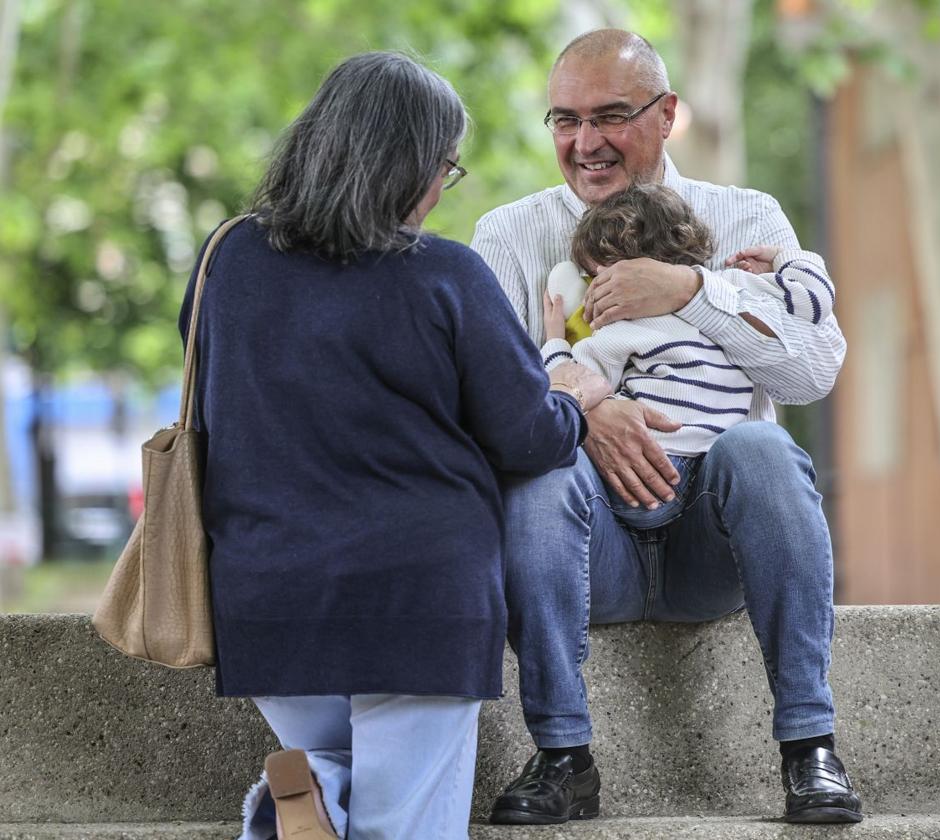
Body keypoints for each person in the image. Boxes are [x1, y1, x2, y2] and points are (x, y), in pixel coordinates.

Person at [180, 52, 610, 840]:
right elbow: (529, 436)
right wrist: (576, 398)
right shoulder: (446, 276)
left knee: (340, 781)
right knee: (407, 822)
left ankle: (305, 804)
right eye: (445, 165)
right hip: (419, 600)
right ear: (410, 164)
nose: (443, 185)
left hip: (266, 595)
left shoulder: (227, 259)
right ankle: (304, 809)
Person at [470, 30, 862, 825]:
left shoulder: (746, 216)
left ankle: (810, 748)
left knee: (760, 447)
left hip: (714, 546)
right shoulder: (508, 237)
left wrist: (690, 291)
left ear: (668, 114)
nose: (585, 143)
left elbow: (812, 372)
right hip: (591, 547)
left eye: (610, 115)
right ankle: (563, 755)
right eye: (565, 120)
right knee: (541, 471)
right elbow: (486, 403)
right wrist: (585, 407)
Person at [540, 182, 836, 531]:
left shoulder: (621, 332)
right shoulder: (735, 292)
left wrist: (555, 343)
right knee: (765, 449)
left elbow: (576, 387)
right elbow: (814, 301)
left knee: (552, 470)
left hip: (653, 477)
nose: (591, 290)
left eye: (595, 278)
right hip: (725, 473)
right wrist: (782, 257)